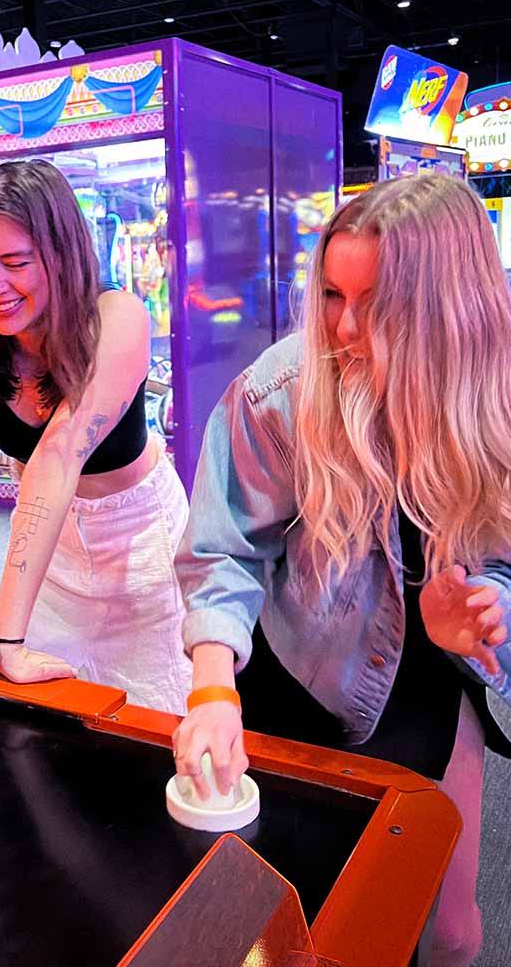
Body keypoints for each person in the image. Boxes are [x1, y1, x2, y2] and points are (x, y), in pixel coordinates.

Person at [172, 174, 511, 967]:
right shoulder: (280, 394)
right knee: (289, 914)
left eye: (379, 303)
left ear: (450, 310)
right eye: (331, 294)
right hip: (300, 669)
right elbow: (223, 550)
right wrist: (213, 690)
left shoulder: (496, 401)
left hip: (439, 673)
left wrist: (489, 606)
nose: (346, 329)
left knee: (447, 933)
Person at [0, 160, 191, 716]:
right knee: (44, 724)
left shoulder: (117, 318)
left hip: (142, 546)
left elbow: (58, 457)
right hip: (47, 547)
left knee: (157, 722)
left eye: (15, 262)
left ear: (61, 256)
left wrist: (6, 640)